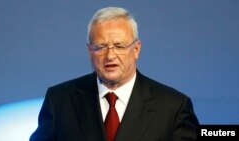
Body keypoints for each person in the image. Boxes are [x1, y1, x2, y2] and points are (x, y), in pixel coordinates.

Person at [30, 7, 199, 141]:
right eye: (101, 47)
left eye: (119, 46)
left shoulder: (173, 106)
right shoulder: (60, 100)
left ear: (136, 49)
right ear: (90, 51)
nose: (110, 56)